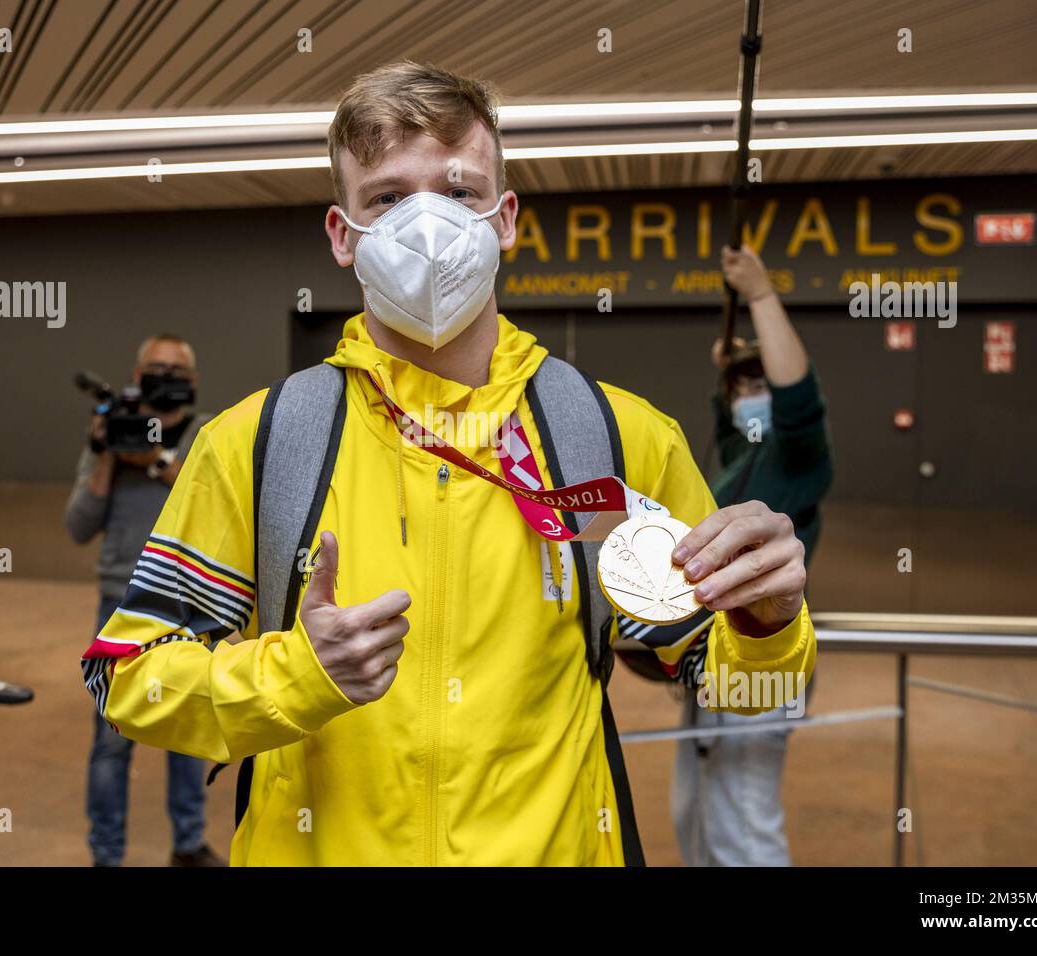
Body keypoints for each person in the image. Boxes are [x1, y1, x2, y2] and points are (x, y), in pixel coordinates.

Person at [79, 61, 815, 867]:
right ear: (341, 234)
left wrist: (767, 624)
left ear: (504, 220)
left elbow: (744, 688)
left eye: (458, 194)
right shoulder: (261, 444)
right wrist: (295, 675)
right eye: (389, 198)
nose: (426, 225)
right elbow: (125, 678)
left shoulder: (603, 441)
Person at [670, 246, 834, 866]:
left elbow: (798, 406)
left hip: (763, 657)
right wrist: (729, 368)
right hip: (714, 655)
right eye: (741, 387)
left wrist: (761, 297)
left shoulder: (800, 458)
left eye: (760, 385)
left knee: (743, 825)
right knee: (697, 813)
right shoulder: (743, 459)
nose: (748, 396)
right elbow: (731, 409)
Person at [64, 334, 223, 867]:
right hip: (120, 600)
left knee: (188, 729)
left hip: (188, 601)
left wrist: (154, 459)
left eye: (176, 369)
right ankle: (105, 856)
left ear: (194, 380)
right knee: (111, 740)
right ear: (136, 372)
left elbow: (214, 500)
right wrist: (107, 456)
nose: (165, 376)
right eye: (155, 367)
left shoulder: (208, 432)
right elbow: (77, 526)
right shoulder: (112, 433)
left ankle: (188, 843)